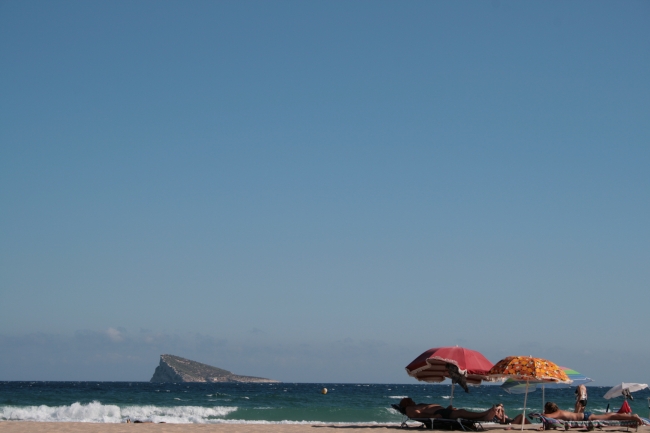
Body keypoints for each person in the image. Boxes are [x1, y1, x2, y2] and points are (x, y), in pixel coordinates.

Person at [399, 398, 502, 421]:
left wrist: (447, 408)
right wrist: (433, 416)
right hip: (439, 414)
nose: (412, 400)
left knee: (461, 412)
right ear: (406, 403)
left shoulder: (415, 405)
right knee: (461, 412)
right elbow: (417, 415)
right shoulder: (409, 408)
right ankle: (484, 415)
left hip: (442, 411)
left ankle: (484, 415)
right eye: (410, 400)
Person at [543, 402, 644, 426]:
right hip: (585, 416)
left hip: (586, 418)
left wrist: (540, 414)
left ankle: (632, 417)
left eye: (545, 410)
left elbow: (548, 416)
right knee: (609, 416)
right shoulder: (559, 412)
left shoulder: (558, 413)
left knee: (610, 416)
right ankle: (630, 417)